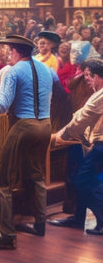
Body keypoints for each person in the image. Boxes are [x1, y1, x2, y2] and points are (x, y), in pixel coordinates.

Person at [0, 35, 55, 250]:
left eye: (10, 51)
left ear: (15, 51)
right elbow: (55, 86)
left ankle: (7, 235)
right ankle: (40, 224)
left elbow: (2, 104)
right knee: (37, 174)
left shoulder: (13, 71)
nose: (8, 54)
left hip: (24, 125)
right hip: (45, 125)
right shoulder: (46, 69)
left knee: (3, 180)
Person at [48, 58, 103, 235]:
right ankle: (79, 219)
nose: (86, 78)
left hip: (100, 146)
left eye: (89, 75)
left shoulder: (100, 95)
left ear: (98, 76)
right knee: (88, 181)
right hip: (91, 142)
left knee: (83, 181)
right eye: (85, 74)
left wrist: (59, 136)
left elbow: (82, 118)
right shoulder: (97, 93)